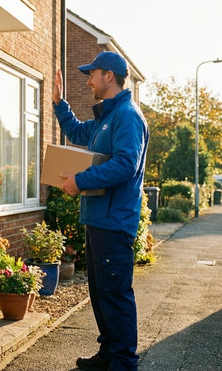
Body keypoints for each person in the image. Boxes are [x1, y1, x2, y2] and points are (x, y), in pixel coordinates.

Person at [52, 52, 149, 371]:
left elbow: (126, 164)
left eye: (91, 74)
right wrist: (59, 104)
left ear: (109, 76)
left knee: (115, 294)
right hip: (97, 219)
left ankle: (124, 363)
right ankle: (109, 353)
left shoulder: (127, 116)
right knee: (100, 292)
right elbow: (80, 134)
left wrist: (80, 180)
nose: (88, 79)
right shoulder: (107, 117)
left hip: (114, 221)